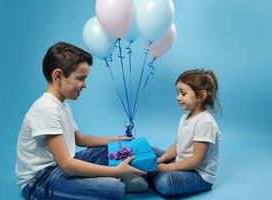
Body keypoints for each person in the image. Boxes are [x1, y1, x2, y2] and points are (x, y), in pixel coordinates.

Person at [15, 42, 146, 200]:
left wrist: (116, 140)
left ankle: (112, 177)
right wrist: (115, 171)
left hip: (61, 167)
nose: (85, 85)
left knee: (108, 149)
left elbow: (80, 139)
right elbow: (66, 164)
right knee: (114, 189)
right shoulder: (45, 108)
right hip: (41, 181)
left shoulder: (61, 105)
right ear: (58, 76)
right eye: (81, 78)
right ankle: (115, 178)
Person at [152, 69, 221, 198]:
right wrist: (161, 159)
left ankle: (150, 175)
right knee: (152, 150)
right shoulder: (184, 118)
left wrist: (165, 168)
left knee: (164, 182)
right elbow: (178, 145)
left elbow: (196, 161)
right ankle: (152, 172)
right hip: (182, 163)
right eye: (178, 93)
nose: (178, 97)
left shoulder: (205, 122)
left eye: (183, 93)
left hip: (198, 174)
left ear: (201, 96)